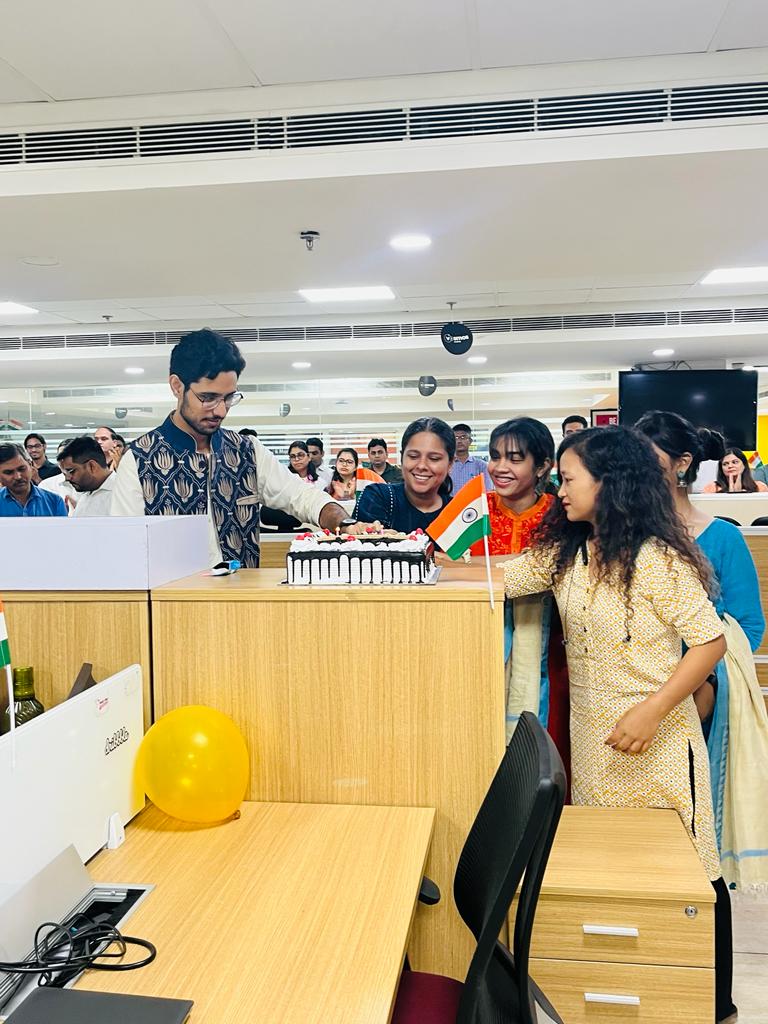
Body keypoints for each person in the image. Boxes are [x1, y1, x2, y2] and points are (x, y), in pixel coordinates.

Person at [502, 426, 735, 1024]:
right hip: (595, 743)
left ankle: (712, 1004)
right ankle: (623, 991)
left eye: (568, 479)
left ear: (609, 484)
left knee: (686, 874)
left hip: (657, 743)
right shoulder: (566, 553)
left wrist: (653, 709)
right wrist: (410, 563)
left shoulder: (658, 559)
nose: (559, 490)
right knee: (610, 869)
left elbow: (709, 643)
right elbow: (497, 581)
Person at [635, 410, 767, 894]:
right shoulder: (624, 535)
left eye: (650, 461)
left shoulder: (722, 538)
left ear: (683, 463)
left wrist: (704, 682)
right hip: (631, 693)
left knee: (696, 826)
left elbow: (748, 626)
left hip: (700, 698)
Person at [111, 329, 366, 566]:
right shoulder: (139, 459)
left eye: (228, 398)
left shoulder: (247, 451)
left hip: (241, 597)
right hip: (172, 599)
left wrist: (343, 521)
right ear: (177, 386)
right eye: (208, 398)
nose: (220, 411)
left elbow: (301, 496)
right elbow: (125, 550)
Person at [468, 417, 569, 753]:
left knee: (542, 742)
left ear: (542, 467)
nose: (500, 467)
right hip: (480, 641)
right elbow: (442, 565)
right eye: (495, 456)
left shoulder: (560, 515)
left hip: (549, 647)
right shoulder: (473, 510)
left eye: (515, 459)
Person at [355, 418, 454, 533]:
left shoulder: (459, 514)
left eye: (434, 458)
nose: (422, 466)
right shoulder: (377, 496)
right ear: (402, 458)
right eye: (413, 456)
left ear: (450, 464)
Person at [0, 443, 67, 517]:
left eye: (22, 469)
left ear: (30, 465)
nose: (18, 477)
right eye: (9, 472)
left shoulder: (55, 502)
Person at [58, 436, 117, 517]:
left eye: (71, 471)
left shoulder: (123, 493)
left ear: (92, 466)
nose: (67, 478)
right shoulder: (85, 494)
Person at [449, 423, 492, 492]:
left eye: (463, 437)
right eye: (456, 438)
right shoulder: (447, 465)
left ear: (470, 441)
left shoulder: (481, 465)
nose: (459, 441)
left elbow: (487, 490)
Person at [703, 447, 768, 493]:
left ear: (744, 465)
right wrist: (731, 493)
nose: (730, 466)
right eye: (725, 464)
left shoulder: (760, 487)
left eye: (735, 462)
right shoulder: (711, 488)